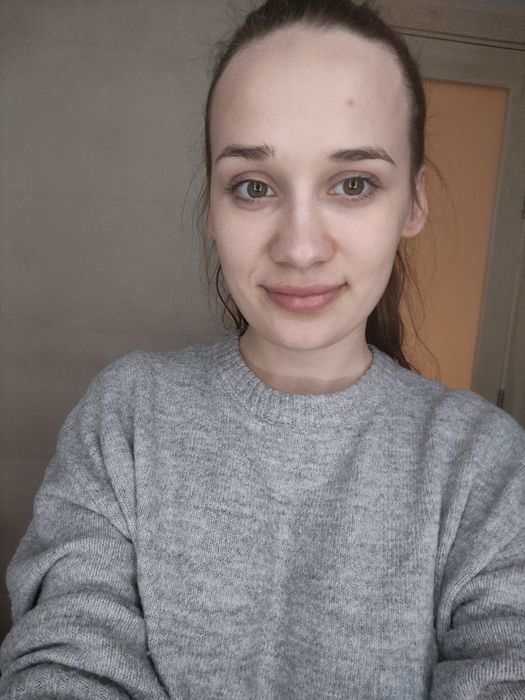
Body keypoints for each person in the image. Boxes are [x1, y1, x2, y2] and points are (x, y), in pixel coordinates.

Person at [1, 0, 524, 697]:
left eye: (354, 184)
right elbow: (66, 659)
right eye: (253, 187)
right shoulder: (127, 415)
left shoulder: (484, 462)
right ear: (212, 210)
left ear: (413, 204)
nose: (300, 248)